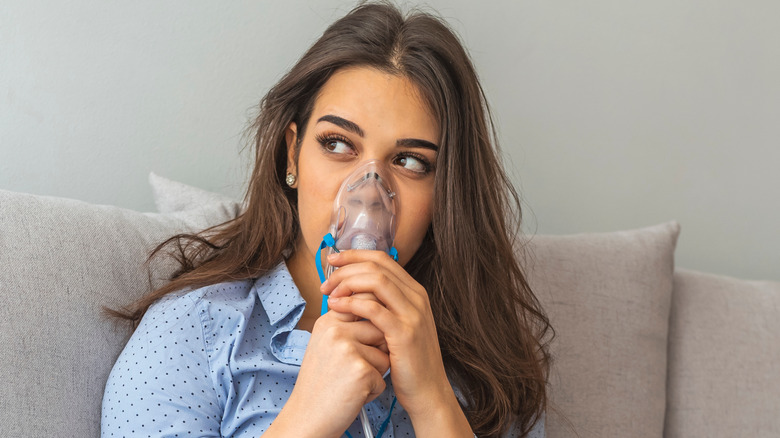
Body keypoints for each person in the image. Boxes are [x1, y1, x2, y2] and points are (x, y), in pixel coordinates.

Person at [101, 1, 552, 437]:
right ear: (292, 152)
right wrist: (308, 418)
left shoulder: (485, 367)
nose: (369, 196)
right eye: (337, 144)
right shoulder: (194, 331)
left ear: (447, 191)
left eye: (411, 161)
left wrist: (434, 400)